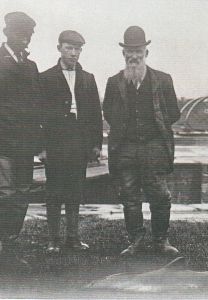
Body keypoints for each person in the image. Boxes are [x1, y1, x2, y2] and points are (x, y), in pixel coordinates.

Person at [103, 26, 180, 256]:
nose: (134, 55)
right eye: (129, 51)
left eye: (138, 50)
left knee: (160, 195)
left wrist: (154, 127)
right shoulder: (114, 81)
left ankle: (160, 240)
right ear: (123, 54)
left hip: (154, 147)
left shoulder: (163, 80)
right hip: (125, 148)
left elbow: (174, 113)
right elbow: (108, 112)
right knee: (130, 197)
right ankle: (136, 240)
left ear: (146, 52)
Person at [40, 30, 103, 254]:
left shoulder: (88, 79)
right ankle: (53, 239)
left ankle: (73, 238)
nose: (74, 53)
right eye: (69, 48)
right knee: (54, 191)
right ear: (59, 48)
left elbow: (96, 114)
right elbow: (37, 114)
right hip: (55, 143)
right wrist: (41, 148)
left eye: (77, 49)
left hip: (79, 143)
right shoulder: (45, 78)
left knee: (75, 191)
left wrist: (96, 145)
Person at [0, 12, 42, 257]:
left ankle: (9, 242)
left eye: (28, 35)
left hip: (25, 145)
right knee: (4, 193)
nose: (25, 39)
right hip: (2, 143)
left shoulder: (30, 66)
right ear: (8, 33)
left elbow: (36, 105)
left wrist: (38, 142)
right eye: (21, 34)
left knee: (22, 195)